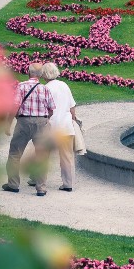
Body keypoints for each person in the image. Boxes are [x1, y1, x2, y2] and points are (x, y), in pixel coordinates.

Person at [1, 68, 54, 194]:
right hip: (42, 122)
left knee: (15, 153)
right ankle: (41, 188)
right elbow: (51, 109)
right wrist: (45, 120)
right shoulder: (45, 88)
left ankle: (13, 184)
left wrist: (8, 124)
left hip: (24, 122)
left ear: (28, 73)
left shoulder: (21, 86)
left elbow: (15, 105)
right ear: (40, 75)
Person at [42, 59, 81, 191]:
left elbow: (44, 108)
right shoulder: (64, 85)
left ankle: (40, 181)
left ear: (44, 74)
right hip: (65, 126)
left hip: (51, 126)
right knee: (67, 157)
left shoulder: (45, 88)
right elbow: (72, 106)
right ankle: (68, 184)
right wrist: (73, 119)